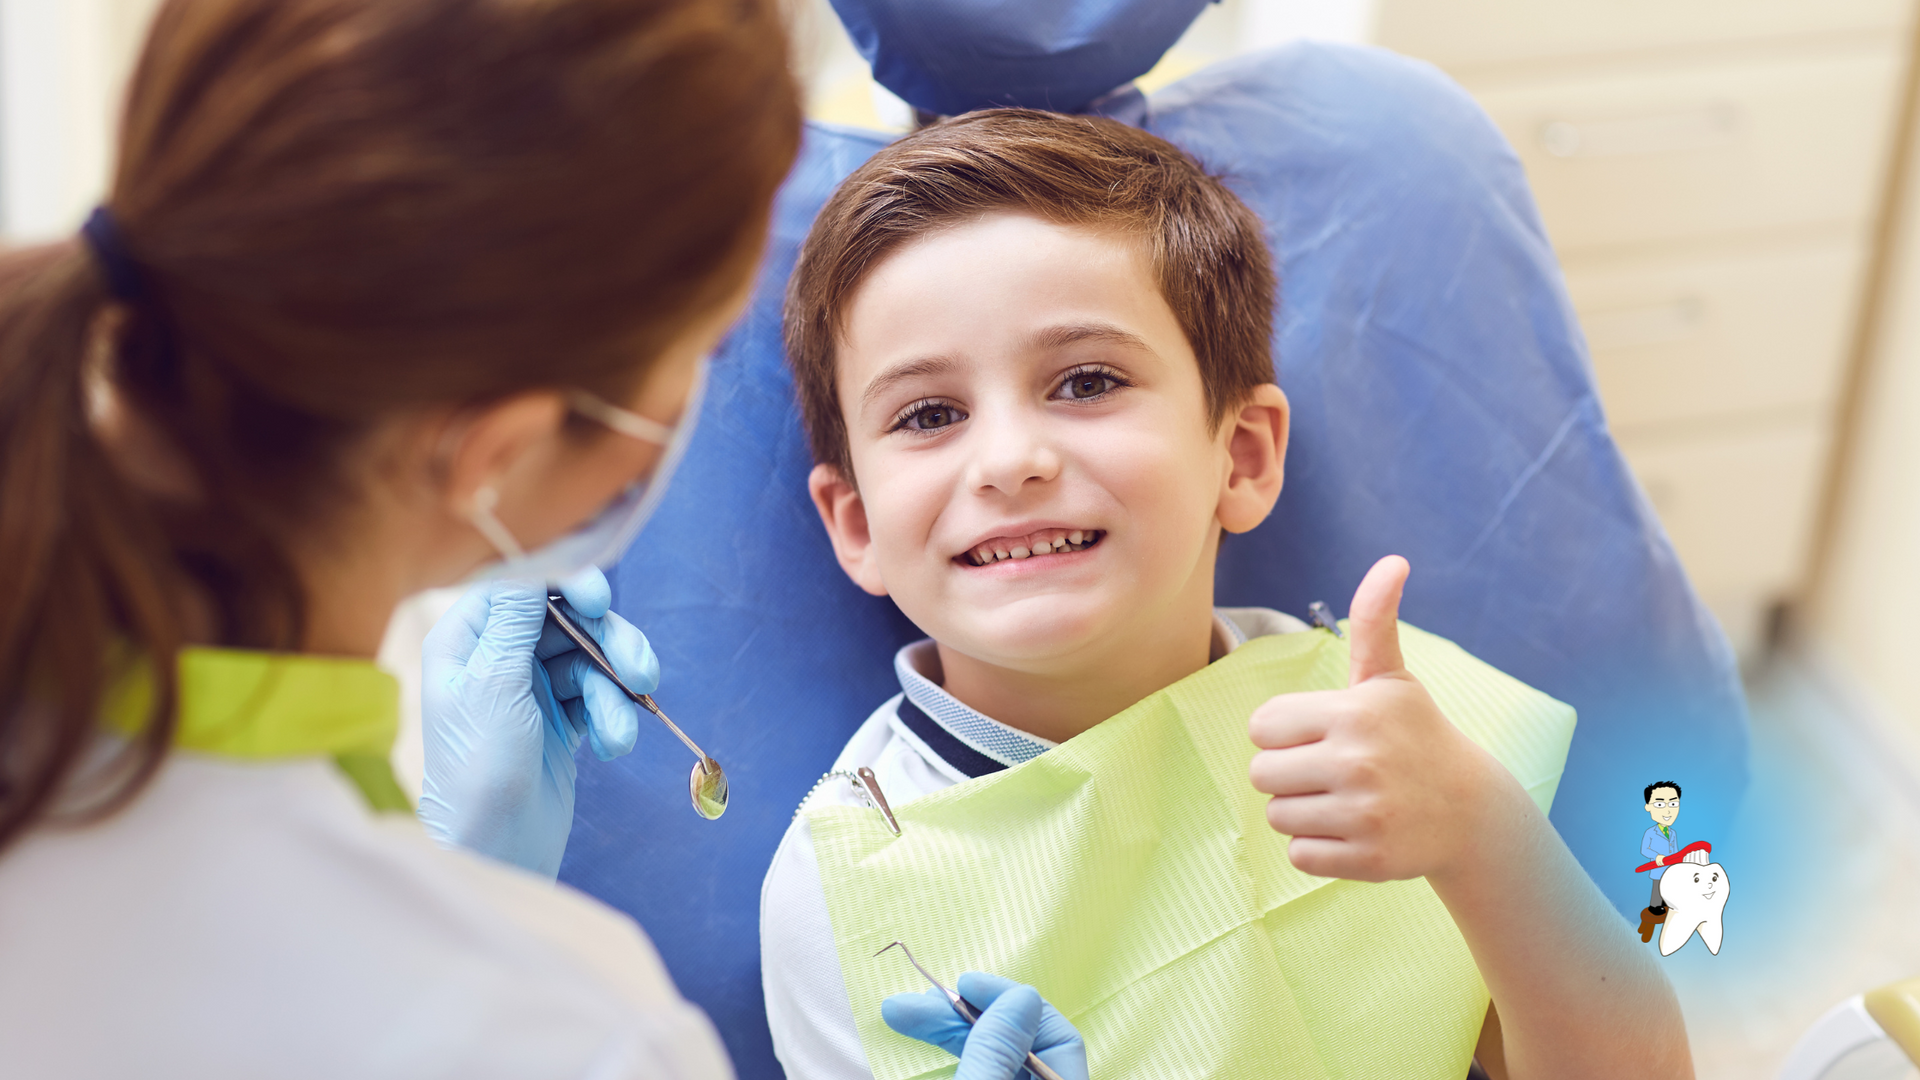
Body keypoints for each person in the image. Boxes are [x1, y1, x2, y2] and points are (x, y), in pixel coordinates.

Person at [0, 2, 1075, 1077]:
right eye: (705, 349)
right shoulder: (570, 1034)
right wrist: (461, 916)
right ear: (494, 455)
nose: (1011, 462)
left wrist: (446, 878)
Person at [762, 109, 1694, 1079]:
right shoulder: (843, 894)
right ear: (858, 525)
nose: (1009, 461)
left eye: (1085, 382)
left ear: (1240, 456)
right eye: (929, 413)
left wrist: (1479, 833)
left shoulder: (1402, 738)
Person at [1640, 781, 1685, 929]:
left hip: (1671, 870)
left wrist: (1679, 861)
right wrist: (1657, 856)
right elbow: (1644, 849)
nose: (1667, 811)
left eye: (1673, 804)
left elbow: (1675, 850)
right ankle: (1653, 911)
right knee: (1657, 892)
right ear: (1648, 807)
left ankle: (1667, 909)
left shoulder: (1673, 833)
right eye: (1660, 805)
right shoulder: (1650, 833)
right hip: (1658, 869)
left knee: (1669, 892)